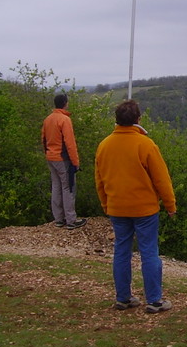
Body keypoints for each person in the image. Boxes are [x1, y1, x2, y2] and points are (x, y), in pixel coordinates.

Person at [95, 100, 177, 313]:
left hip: (117, 207)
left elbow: (99, 180)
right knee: (149, 251)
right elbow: (161, 179)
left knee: (121, 251)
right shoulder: (145, 145)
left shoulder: (104, 146)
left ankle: (123, 298)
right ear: (138, 120)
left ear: (116, 120)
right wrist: (170, 204)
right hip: (144, 209)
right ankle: (154, 300)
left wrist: (106, 203)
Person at [41, 94, 87, 230]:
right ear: (65, 103)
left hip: (51, 157)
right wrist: (75, 162)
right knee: (68, 187)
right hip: (62, 159)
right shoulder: (64, 120)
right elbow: (70, 143)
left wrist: (47, 153)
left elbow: (43, 139)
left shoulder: (48, 119)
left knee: (56, 186)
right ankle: (71, 220)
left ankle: (59, 219)